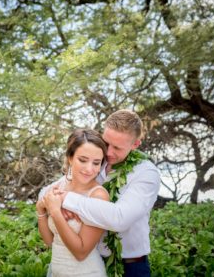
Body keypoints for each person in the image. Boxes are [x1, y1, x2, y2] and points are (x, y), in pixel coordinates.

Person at [44, 109, 161, 277]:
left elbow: (119, 218)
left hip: (130, 267)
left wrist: (66, 199)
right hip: (90, 261)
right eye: (106, 143)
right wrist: (54, 202)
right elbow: (47, 193)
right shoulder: (95, 161)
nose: (108, 152)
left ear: (135, 145)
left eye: (117, 148)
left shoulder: (146, 173)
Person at [36, 129, 110, 277]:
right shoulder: (58, 186)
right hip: (55, 272)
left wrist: (56, 212)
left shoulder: (98, 196)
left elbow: (81, 252)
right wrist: (41, 209)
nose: (89, 169)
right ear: (70, 157)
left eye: (96, 163)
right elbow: (50, 241)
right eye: (83, 160)